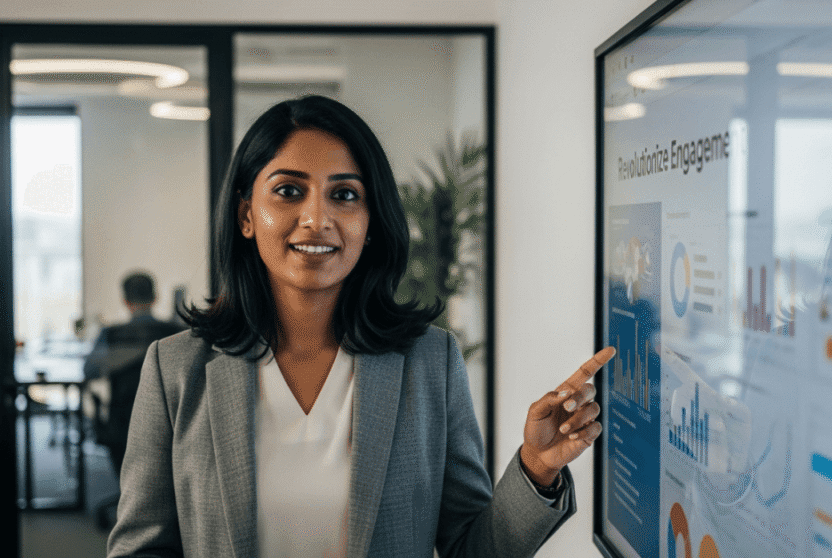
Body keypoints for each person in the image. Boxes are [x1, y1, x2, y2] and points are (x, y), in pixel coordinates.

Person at [107, 96, 615, 558]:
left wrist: (536, 468)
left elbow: (470, 550)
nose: (316, 218)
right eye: (288, 191)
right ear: (246, 214)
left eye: (345, 195)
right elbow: (141, 549)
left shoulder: (429, 362)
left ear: (370, 221)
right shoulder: (175, 369)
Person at [84, 271, 185, 475]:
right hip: (169, 422)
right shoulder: (175, 331)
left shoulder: (111, 334)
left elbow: (90, 371)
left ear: (125, 301)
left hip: (123, 424)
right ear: (155, 298)